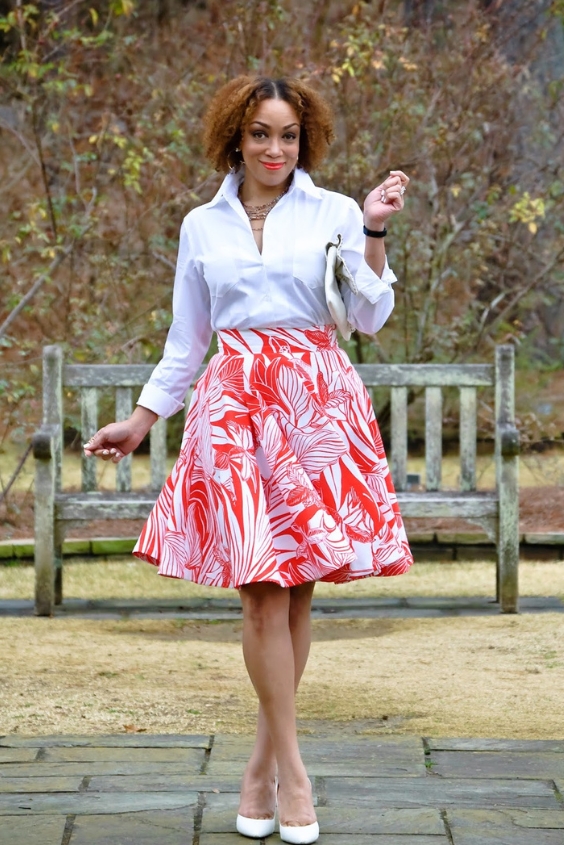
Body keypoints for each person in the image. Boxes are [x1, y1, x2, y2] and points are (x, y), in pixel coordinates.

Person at [84, 75, 413, 845]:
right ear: (236, 134)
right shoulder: (202, 224)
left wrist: (374, 228)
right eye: (262, 133)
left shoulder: (334, 210)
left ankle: (260, 767)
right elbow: (185, 339)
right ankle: (292, 774)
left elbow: (370, 317)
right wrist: (140, 419)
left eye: (290, 134)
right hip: (233, 408)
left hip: (314, 405)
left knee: (297, 595)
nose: (276, 148)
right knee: (260, 591)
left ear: (307, 138)